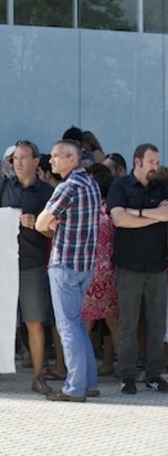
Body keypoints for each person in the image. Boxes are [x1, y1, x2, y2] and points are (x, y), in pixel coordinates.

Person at [0, 140, 54, 395]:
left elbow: (55, 231)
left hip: (31, 265)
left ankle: (38, 377)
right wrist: (10, 219)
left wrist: (36, 223)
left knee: (34, 322)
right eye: (15, 158)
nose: (19, 162)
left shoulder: (47, 192)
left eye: (24, 158)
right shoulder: (4, 186)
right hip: (3, 263)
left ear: (37, 161)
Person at [36, 140, 101, 402]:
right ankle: (90, 382)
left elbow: (41, 222)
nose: (51, 161)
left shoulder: (68, 186)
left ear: (71, 159)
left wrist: (52, 225)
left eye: (55, 156)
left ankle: (74, 387)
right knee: (77, 324)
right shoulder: (92, 184)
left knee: (68, 327)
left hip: (65, 263)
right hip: (86, 264)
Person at [107, 143, 168, 394]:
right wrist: (153, 214)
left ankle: (154, 375)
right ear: (137, 162)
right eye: (151, 161)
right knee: (128, 325)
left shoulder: (162, 186)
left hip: (157, 265)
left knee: (157, 324)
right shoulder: (120, 186)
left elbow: (167, 216)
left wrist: (137, 213)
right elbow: (118, 219)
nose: (156, 166)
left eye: (157, 161)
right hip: (128, 266)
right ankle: (128, 375)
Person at [82, 163, 118, 377]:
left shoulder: (90, 211)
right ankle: (124, 367)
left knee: (85, 322)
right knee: (113, 321)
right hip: (110, 271)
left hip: (90, 270)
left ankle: (83, 369)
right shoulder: (112, 211)